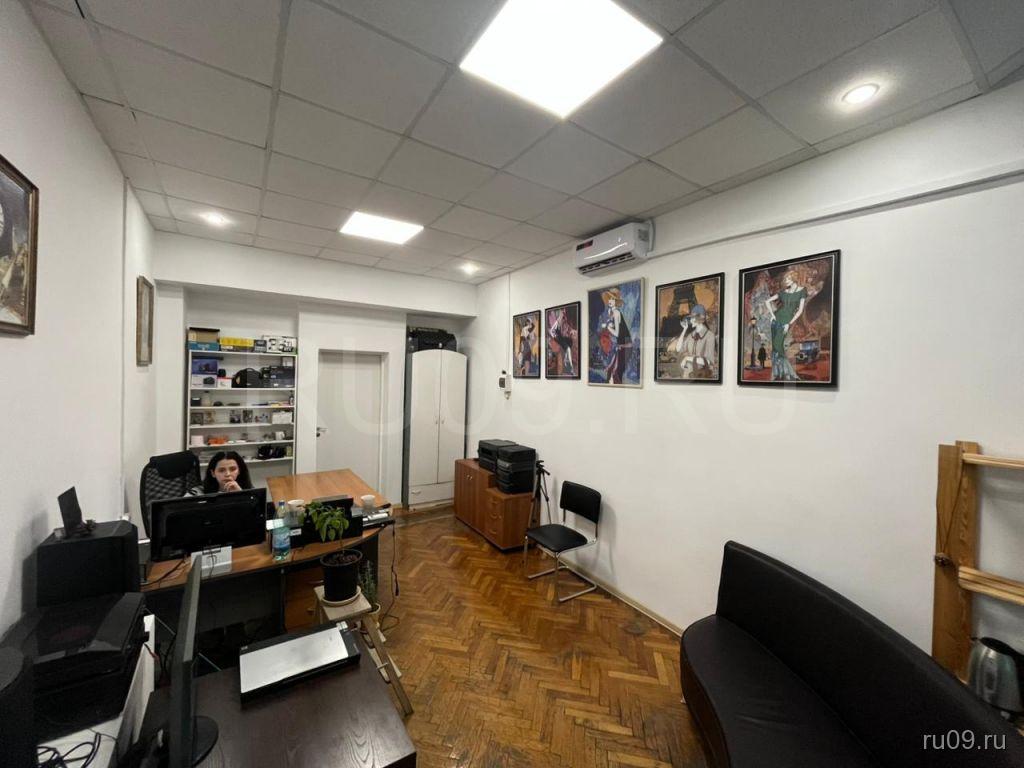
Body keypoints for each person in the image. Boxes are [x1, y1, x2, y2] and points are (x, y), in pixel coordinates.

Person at [764, 271, 807, 381]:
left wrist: (789, 323)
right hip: (776, 320)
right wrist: (773, 315)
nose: (786, 281)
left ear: (794, 278)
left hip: (786, 322)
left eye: (788, 279)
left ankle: (789, 373)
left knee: (778, 346)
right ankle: (777, 373)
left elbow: (800, 311)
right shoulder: (783, 292)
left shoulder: (802, 291)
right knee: (775, 348)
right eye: (785, 279)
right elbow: (767, 301)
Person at [598, 287, 632, 384]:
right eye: (609, 298)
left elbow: (617, 333)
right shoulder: (612, 313)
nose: (610, 301)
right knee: (610, 371)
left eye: (612, 299)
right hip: (620, 346)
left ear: (616, 301)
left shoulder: (616, 313)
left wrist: (608, 327)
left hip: (625, 347)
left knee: (615, 374)